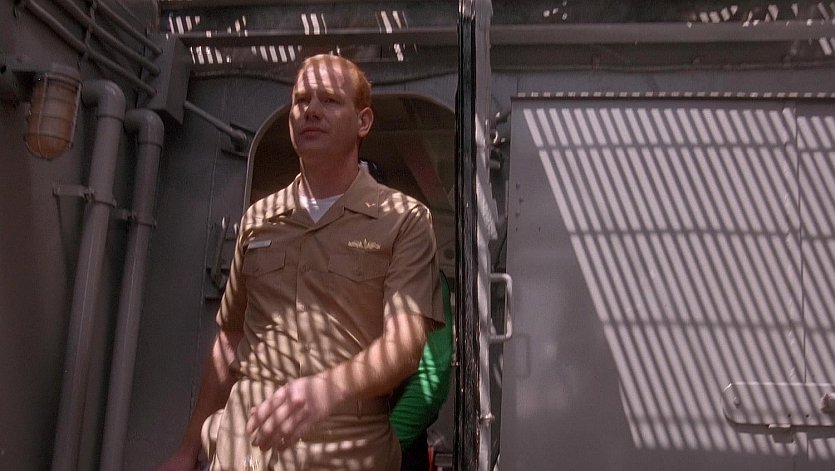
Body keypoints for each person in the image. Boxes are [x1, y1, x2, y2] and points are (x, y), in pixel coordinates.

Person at [157, 53, 444, 471]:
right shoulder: (259, 218)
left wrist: (327, 389)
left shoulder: (404, 219)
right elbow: (231, 338)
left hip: (345, 452)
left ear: (363, 122)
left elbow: (405, 345)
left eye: (330, 100)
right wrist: (187, 450)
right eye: (301, 100)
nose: (311, 110)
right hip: (241, 450)